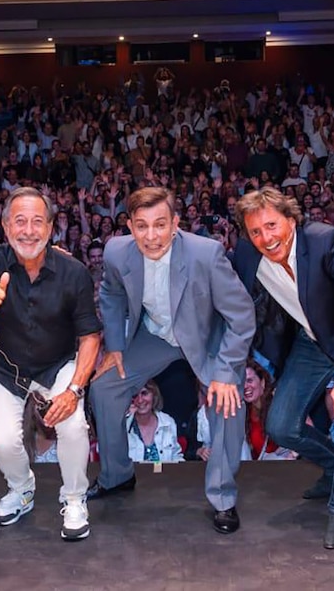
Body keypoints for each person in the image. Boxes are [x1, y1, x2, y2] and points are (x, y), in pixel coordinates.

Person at [89, 187, 255, 534]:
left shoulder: (206, 254)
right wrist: (116, 346)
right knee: (104, 388)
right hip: (155, 336)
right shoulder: (117, 253)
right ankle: (117, 476)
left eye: (160, 225)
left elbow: (241, 315)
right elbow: (110, 292)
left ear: (175, 224)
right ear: (130, 227)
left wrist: (225, 372)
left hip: (207, 337)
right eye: (142, 226)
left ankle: (223, 498)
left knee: (225, 401)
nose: (151, 236)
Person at [232, 187, 334, 549]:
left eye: (272, 225)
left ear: (292, 219)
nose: (265, 238)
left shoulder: (327, 242)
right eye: (255, 231)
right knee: (281, 425)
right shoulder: (247, 254)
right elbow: (210, 274)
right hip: (311, 340)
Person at [0, 187, 102, 541]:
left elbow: (90, 337)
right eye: (19, 222)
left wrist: (73, 390)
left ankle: (73, 497)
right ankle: (22, 489)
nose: (28, 230)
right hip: (6, 367)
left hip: (57, 365)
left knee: (73, 425)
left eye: (37, 222)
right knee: (4, 443)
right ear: (6, 227)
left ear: (51, 227)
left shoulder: (74, 272)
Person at [124, 379, 185, 464]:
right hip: (133, 477)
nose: (140, 400)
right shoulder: (123, 425)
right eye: (135, 395)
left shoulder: (168, 422)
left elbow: (176, 457)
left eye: (144, 393)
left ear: (154, 395)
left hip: (164, 477)